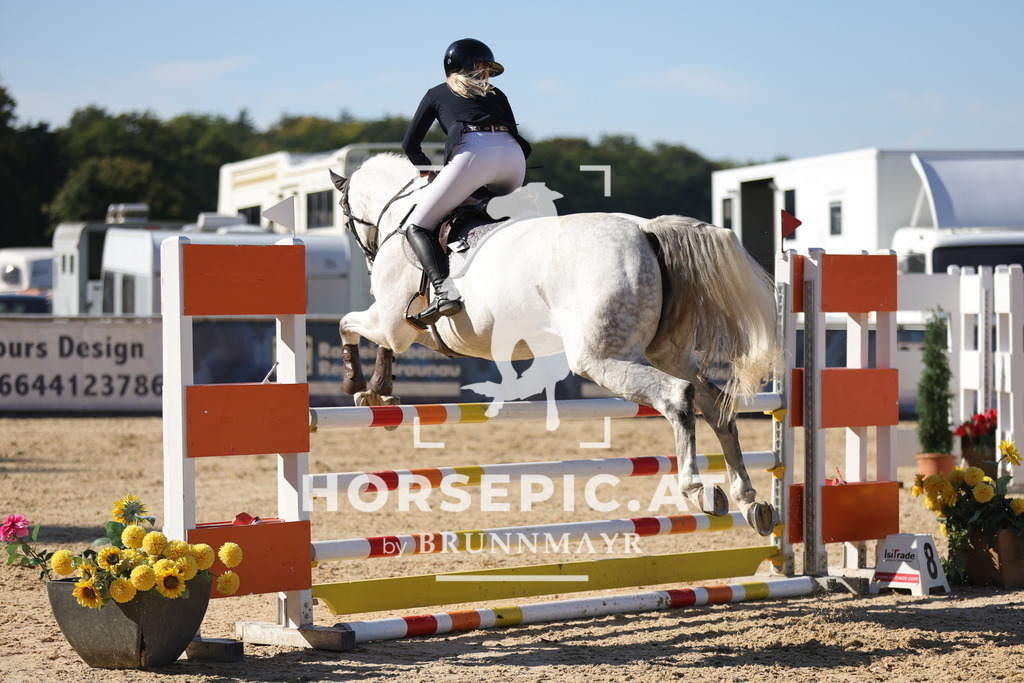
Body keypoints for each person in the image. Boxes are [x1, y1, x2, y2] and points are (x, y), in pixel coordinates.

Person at [402, 38, 531, 325]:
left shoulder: (437, 92)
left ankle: (444, 291)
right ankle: (483, 205)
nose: (486, 75)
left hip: (474, 152)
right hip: (513, 156)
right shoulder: (497, 94)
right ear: (471, 67)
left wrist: (426, 170)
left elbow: (410, 144)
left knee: (417, 226)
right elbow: (511, 130)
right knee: (505, 215)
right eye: (484, 68)